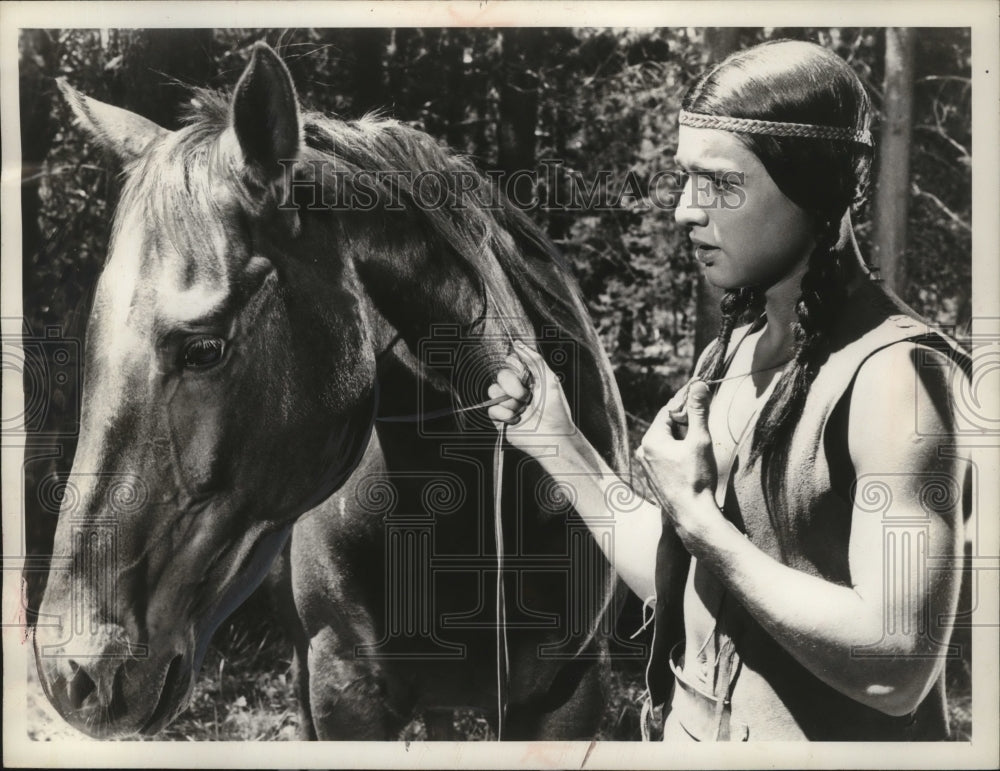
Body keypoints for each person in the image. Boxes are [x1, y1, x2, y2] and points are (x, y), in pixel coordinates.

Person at [488, 39, 971, 741]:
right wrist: (558, 442)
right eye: (686, 179)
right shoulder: (731, 351)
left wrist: (699, 520)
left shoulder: (900, 378)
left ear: (814, 186)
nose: (687, 209)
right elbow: (691, 584)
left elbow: (897, 666)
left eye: (719, 182)